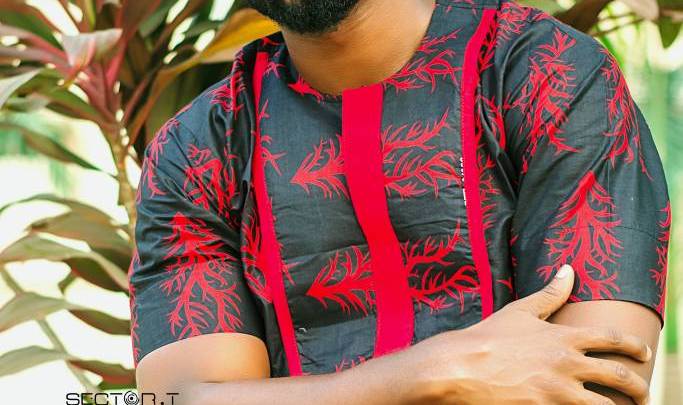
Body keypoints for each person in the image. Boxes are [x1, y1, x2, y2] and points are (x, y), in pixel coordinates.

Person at [128, 0, 671, 403]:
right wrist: (433, 371)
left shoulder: (546, 74)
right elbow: (177, 399)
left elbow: (597, 383)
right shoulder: (199, 150)